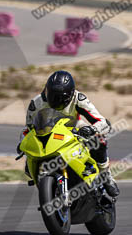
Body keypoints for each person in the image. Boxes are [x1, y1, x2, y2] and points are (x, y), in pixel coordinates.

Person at [22, 70, 119, 198]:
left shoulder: (79, 99)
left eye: (59, 97)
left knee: (98, 140)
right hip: (48, 132)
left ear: (70, 95)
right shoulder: (36, 103)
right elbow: (29, 129)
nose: (54, 100)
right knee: (28, 167)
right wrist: (23, 143)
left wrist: (91, 130)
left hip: (74, 129)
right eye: (51, 94)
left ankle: (105, 175)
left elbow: (104, 123)